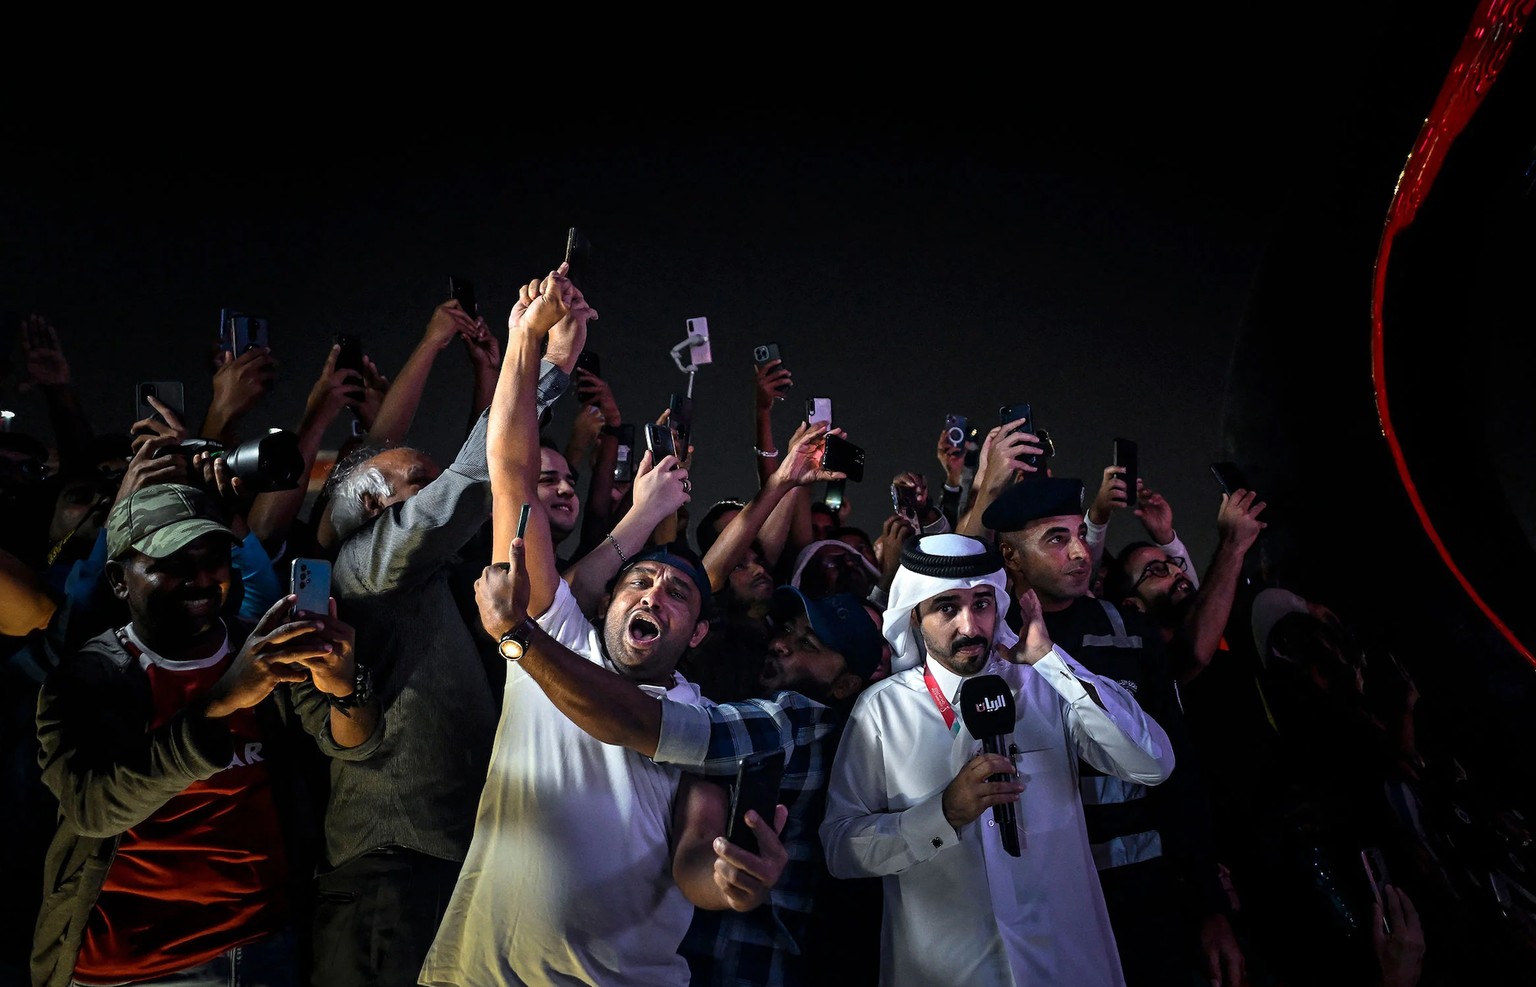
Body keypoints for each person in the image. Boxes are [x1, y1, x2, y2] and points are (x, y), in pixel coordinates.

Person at [419, 266, 787, 987]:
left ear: (697, 634)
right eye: (639, 580)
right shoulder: (554, 625)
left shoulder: (700, 719)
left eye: (678, 589)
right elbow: (513, 473)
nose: (653, 590)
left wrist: (729, 880)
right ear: (605, 600)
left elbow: (693, 854)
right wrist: (526, 342)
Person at [305, 293, 580, 986]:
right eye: (417, 481)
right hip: (391, 871)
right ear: (374, 506)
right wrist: (544, 364)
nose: (441, 490)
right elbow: (472, 476)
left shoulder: (427, 584)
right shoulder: (366, 566)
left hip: (443, 858)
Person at [31, 483, 381, 987]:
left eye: (214, 558)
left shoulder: (258, 646)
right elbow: (94, 808)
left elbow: (355, 744)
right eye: (171, 562)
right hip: (133, 963)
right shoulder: (87, 679)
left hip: (264, 943)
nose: (200, 578)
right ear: (118, 580)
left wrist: (344, 689)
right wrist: (221, 701)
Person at [819, 532, 1175, 987]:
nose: (971, 626)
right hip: (949, 971)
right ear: (916, 617)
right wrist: (942, 814)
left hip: (1065, 964)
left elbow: (1151, 763)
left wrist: (1051, 660)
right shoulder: (883, 710)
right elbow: (840, 848)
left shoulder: (1045, 685)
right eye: (947, 607)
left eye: (983, 603)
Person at [981, 478, 1246, 987]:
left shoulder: (1130, 631)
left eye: (1080, 533)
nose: (1081, 552)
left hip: (1145, 898)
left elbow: (1179, 774)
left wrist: (1210, 905)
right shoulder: (987, 639)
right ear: (1011, 556)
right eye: (1056, 540)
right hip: (1038, 903)